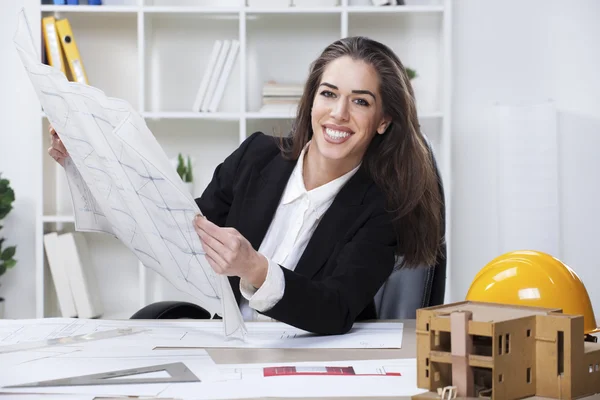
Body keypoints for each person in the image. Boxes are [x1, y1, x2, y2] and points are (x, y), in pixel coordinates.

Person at [48, 36, 445, 335]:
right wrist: (88, 166)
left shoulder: (383, 207)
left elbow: (336, 308)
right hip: (231, 347)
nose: (338, 114)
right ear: (312, 101)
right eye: (329, 94)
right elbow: (178, 231)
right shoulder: (258, 156)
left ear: (383, 120)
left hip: (312, 360)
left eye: (360, 101)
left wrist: (255, 268)